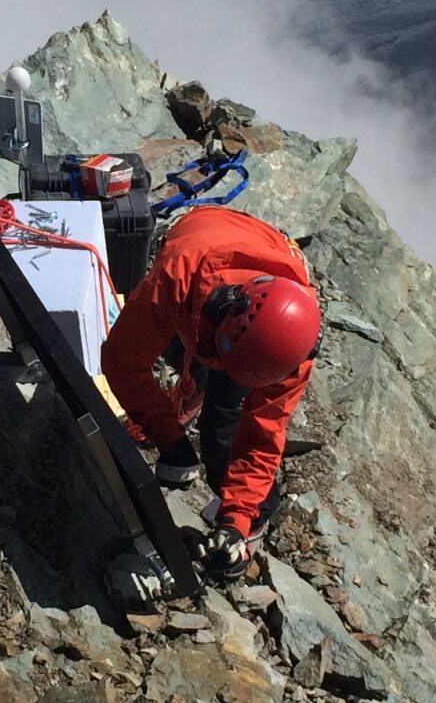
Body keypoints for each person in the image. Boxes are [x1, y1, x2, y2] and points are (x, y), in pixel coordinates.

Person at [102, 204, 322, 602]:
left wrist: (237, 518)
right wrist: (170, 439)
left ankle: (254, 516)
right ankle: (191, 395)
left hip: (252, 254)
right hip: (202, 244)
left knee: (225, 424)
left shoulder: (293, 348)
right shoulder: (175, 280)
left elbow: (262, 436)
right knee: (181, 359)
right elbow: (122, 361)